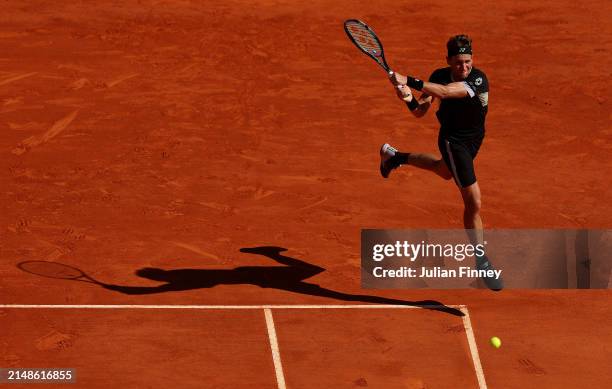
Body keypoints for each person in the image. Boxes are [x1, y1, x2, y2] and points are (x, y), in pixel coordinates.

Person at [381, 34, 503, 290]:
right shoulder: (438, 76)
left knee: (444, 171)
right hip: (453, 143)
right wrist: (406, 96)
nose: (464, 67)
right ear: (448, 60)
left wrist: (410, 81)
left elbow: (447, 92)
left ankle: (395, 157)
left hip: (474, 141)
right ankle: (482, 262)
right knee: (474, 201)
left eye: (468, 61)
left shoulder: (478, 79)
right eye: (458, 63)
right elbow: (419, 111)